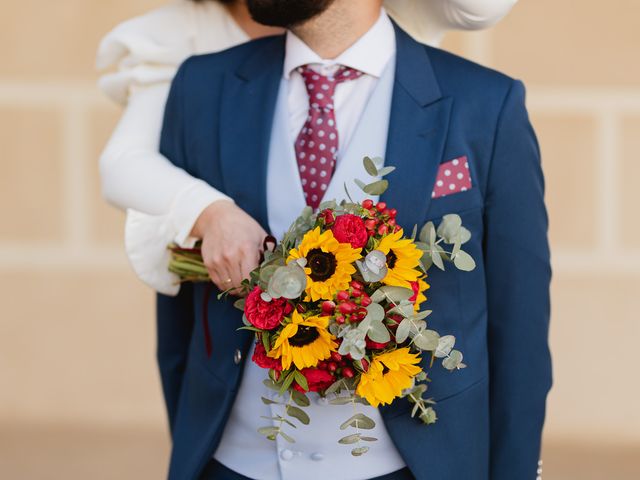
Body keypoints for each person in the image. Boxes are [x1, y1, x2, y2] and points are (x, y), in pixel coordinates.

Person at [153, 0, 552, 478]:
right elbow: (178, 310)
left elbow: (519, 331)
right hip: (231, 463)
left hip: (415, 464)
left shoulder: (485, 103)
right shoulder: (201, 87)